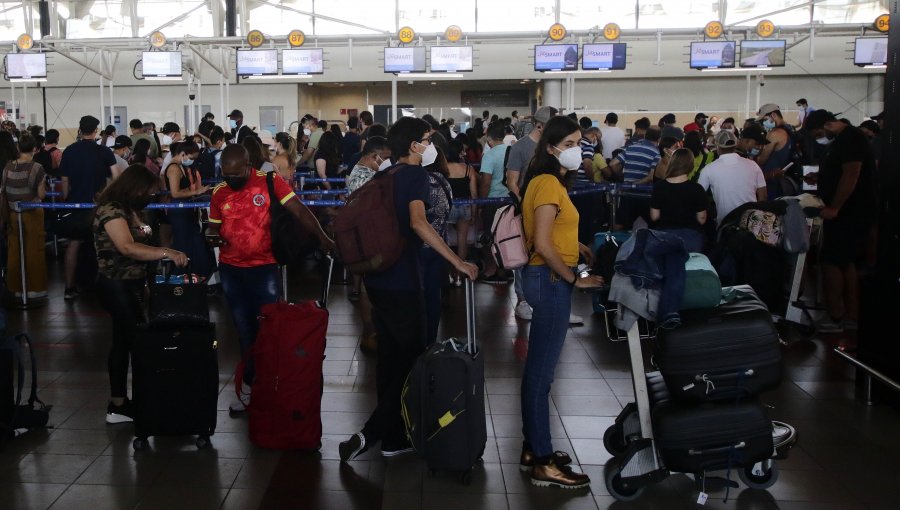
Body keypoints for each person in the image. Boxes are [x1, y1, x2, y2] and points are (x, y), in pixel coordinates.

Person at [338, 117, 478, 463]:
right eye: (428, 139)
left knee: (389, 359)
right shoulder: (416, 176)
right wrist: (456, 261)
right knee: (414, 360)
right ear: (415, 146)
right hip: (404, 281)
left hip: (379, 278)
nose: (431, 144)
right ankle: (370, 433)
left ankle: (393, 437)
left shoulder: (385, 174)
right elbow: (418, 223)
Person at [208, 145, 333, 411]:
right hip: (231, 270)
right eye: (225, 174)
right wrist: (212, 237)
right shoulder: (219, 193)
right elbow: (213, 228)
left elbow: (298, 209)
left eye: (235, 173)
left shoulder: (269, 181)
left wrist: (322, 237)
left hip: (264, 268)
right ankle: (253, 387)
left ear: (248, 164)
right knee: (244, 331)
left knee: (270, 327)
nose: (231, 179)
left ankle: (274, 385)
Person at [519, 115, 603, 488]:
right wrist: (574, 278)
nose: (577, 150)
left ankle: (532, 446)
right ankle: (542, 460)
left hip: (548, 276)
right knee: (540, 375)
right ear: (551, 147)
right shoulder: (549, 183)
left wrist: (577, 246)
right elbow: (541, 242)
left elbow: (552, 231)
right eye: (570, 144)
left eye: (579, 142)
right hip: (552, 280)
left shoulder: (545, 181)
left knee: (540, 371)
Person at [94, 164, 189, 423]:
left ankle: (119, 404)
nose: (152, 196)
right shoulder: (111, 210)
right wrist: (166, 252)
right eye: (150, 191)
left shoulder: (132, 209)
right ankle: (145, 402)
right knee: (140, 342)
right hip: (115, 285)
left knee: (123, 342)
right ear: (134, 188)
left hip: (132, 283)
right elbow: (126, 247)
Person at [803, 110, 877, 333]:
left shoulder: (851, 138)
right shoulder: (841, 141)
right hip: (848, 212)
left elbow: (851, 173)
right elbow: (840, 170)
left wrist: (835, 207)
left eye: (818, 133)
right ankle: (851, 317)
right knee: (846, 262)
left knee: (830, 261)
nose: (818, 138)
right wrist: (821, 177)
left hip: (849, 212)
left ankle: (835, 316)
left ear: (827, 124)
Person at [58, 115, 117, 301]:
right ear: (96, 131)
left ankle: (69, 288)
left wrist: (68, 198)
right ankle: (106, 286)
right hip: (99, 206)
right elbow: (116, 177)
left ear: (80, 129)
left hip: (76, 204)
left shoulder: (69, 151)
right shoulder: (104, 152)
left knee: (73, 245)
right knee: (105, 244)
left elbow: (64, 180)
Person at [2, 133, 49, 300]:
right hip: (33, 213)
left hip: (13, 214)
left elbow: (4, 191)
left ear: (18, 148)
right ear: (35, 149)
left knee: (14, 251)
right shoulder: (37, 168)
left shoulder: (8, 166)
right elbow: (41, 194)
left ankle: (16, 287)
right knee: (34, 250)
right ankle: (34, 288)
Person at [421, 132, 454, 345]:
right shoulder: (444, 182)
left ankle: (420, 342)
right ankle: (430, 341)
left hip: (419, 247)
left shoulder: (422, 182)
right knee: (433, 296)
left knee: (418, 297)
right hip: (438, 245)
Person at [164, 141, 213, 279]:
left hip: (186, 208)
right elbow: (175, 193)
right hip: (179, 210)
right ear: (183, 154)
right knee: (183, 243)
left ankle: (195, 275)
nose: (192, 161)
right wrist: (197, 191)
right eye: (191, 158)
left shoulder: (180, 167)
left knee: (193, 242)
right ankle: (181, 276)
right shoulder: (174, 168)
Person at [698, 130, 768, 225]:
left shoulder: (709, 169)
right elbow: (763, 197)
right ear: (735, 145)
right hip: (751, 223)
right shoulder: (753, 165)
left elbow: (698, 195)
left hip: (726, 225)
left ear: (717, 147)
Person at [650, 148, 708, 252]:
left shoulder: (659, 187)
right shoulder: (697, 188)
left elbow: (654, 217)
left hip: (663, 237)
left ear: (672, 163)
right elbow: (702, 219)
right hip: (691, 239)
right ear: (690, 165)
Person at [478, 122, 512, 285]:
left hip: (492, 201)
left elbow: (485, 181)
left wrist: (481, 202)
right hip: (510, 200)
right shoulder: (512, 152)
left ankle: (494, 271)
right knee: (507, 235)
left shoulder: (489, 156)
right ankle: (507, 267)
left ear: (489, 139)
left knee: (490, 237)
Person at [445, 137, 477, 287]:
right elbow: (474, 194)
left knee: (443, 241)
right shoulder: (468, 169)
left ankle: (447, 274)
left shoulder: (442, 168)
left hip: (447, 206)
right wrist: (475, 212)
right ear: (459, 152)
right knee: (462, 241)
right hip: (464, 205)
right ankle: (458, 274)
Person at [755, 104, 793, 199]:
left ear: (774, 115)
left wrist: (755, 154)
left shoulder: (774, 133)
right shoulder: (789, 129)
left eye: (764, 120)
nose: (763, 123)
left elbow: (761, 160)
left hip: (771, 182)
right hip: (780, 180)